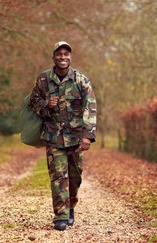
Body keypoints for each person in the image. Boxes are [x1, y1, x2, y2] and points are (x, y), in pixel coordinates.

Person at [29, 41, 97, 231]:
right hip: (53, 138)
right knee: (59, 176)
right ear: (54, 57)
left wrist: (87, 136)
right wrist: (45, 105)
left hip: (76, 138)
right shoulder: (43, 80)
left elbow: (90, 108)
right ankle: (61, 215)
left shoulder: (81, 80)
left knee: (75, 178)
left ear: (70, 57)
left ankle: (70, 206)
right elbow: (32, 102)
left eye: (66, 54)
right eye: (59, 54)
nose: (63, 57)